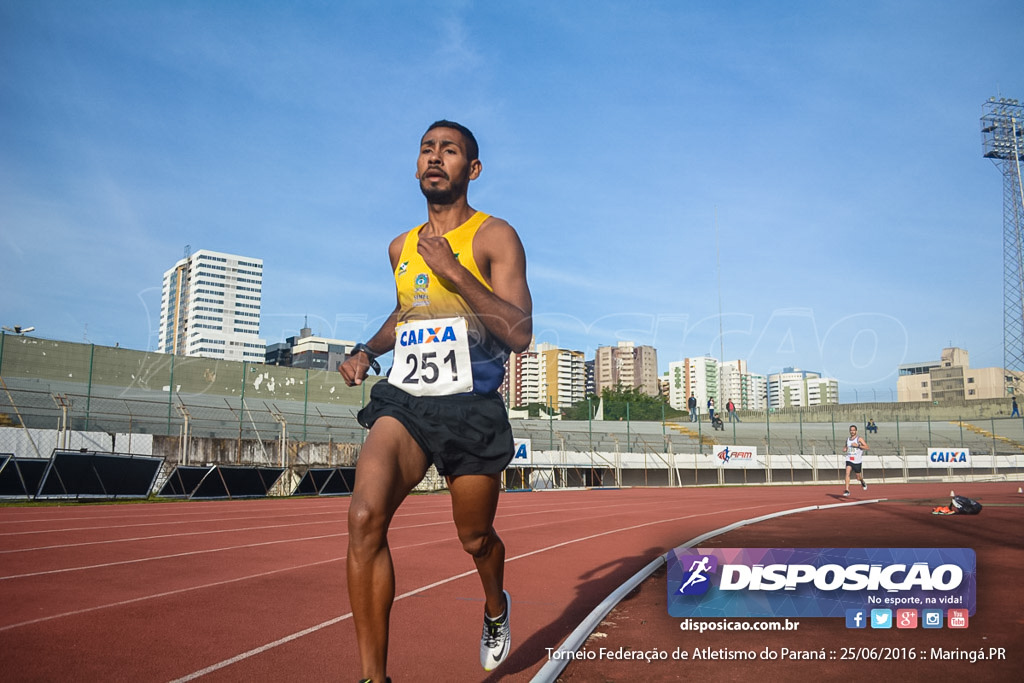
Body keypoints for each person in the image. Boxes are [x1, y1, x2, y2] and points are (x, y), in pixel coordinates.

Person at [338, 120, 532, 683]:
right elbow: (406, 315)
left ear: (471, 170)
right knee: (364, 516)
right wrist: (365, 351)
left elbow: (519, 332)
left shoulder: (495, 237)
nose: (434, 157)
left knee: (474, 537)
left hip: (471, 406)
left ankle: (495, 605)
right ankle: (374, 678)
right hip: (408, 400)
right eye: (427, 149)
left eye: (449, 151)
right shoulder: (401, 247)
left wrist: (453, 268)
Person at [842, 424, 869, 497]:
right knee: (847, 473)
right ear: (849, 431)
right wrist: (845, 449)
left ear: (856, 431)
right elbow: (845, 447)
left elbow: (867, 447)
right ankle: (847, 490)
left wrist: (858, 446)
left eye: (853, 430)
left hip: (857, 461)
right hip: (849, 459)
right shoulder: (847, 439)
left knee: (858, 477)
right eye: (851, 430)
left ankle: (862, 481)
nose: (852, 432)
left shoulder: (859, 439)